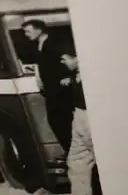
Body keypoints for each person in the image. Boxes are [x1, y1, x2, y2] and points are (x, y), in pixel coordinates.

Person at [21, 19, 73, 154]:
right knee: (55, 121)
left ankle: (72, 151)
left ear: (38, 30)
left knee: (63, 121)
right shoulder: (36, 45)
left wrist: (69, 77)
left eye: (28, 31)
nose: (26, 34)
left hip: (61, 88)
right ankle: (69, 150)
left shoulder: (54, 42)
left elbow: (68, 59)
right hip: (50, 89)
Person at [60, 49, 100, 195]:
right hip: (79, 117)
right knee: (76, 161)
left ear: (78, 58)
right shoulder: (77, 75)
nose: (62, 61)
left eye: (65, 58)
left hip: (90, 118)